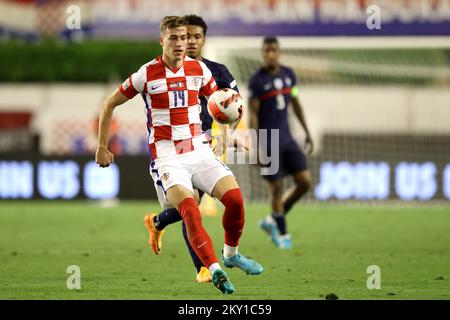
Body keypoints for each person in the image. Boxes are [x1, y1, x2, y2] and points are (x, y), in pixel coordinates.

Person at [95, 16, 262, 294]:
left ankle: (231, 256)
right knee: (190, 212)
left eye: (184, 38)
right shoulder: (146, 74)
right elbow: (109, 103)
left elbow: (217, 104)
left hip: (198, 149)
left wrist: (230, 133)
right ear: (162, 41)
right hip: (168, 157)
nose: (180, 43)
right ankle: (213, 269)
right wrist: (102, 146)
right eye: (174, 38)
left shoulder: (200, 70)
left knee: (235, 200)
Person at [143, 14, 242, 284]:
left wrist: (228, 135)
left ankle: (158, 222)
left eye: (197, 37)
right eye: (187, 36)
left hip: (204, 145)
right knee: (192, 206)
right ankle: (202, 266)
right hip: (175, 149)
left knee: (196, 205)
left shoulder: (216, 71)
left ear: (203, 40)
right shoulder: (159, 72)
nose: (191, 42)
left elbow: (234, 106)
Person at [248, 37, 313, 249]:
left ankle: (271, 220)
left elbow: (295, 102)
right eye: (266, 51)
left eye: (273, 50)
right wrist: (256, 145)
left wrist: (307, 132)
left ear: (279, 51)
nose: (269, 54)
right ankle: (283, 235)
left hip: (288, 139)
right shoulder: (257, 81)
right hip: (269, 140)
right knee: (276, 188)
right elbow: (253, 115)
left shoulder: (288, 75)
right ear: (262, 53)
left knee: (304, 182)